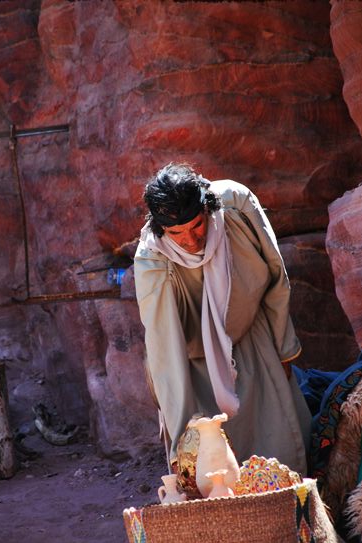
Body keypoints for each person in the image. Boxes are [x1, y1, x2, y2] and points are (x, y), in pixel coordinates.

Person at [133, 162, 311, 475]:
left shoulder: (236, 206)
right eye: (176, 233)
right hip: (193, 366)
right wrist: (181, 439)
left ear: (208, 209)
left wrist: (284, 348)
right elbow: (165, 350)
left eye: (197, 226)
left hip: (254, 338)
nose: (190, 240)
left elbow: (275, 274)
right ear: (161, 230)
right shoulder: (152, 260)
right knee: (209, 469)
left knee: (283, 454)